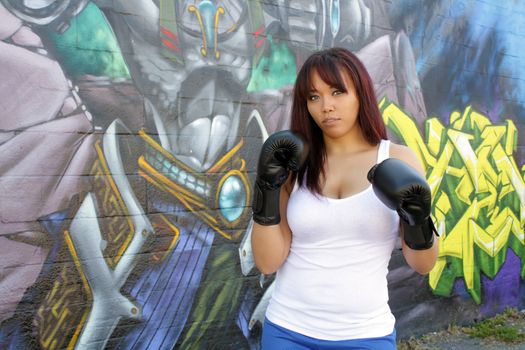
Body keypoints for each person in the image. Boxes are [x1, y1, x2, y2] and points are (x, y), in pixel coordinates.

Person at [250, 47, 439, 349]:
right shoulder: (295, 163)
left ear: (360, 94)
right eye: (314, 96)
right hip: (287, 330)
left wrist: (418, 218)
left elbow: (423, 264)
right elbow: (267, 262)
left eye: (337, 92)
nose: (326, 106)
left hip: (366, 334)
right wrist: (266, 190)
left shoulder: (399, 159)